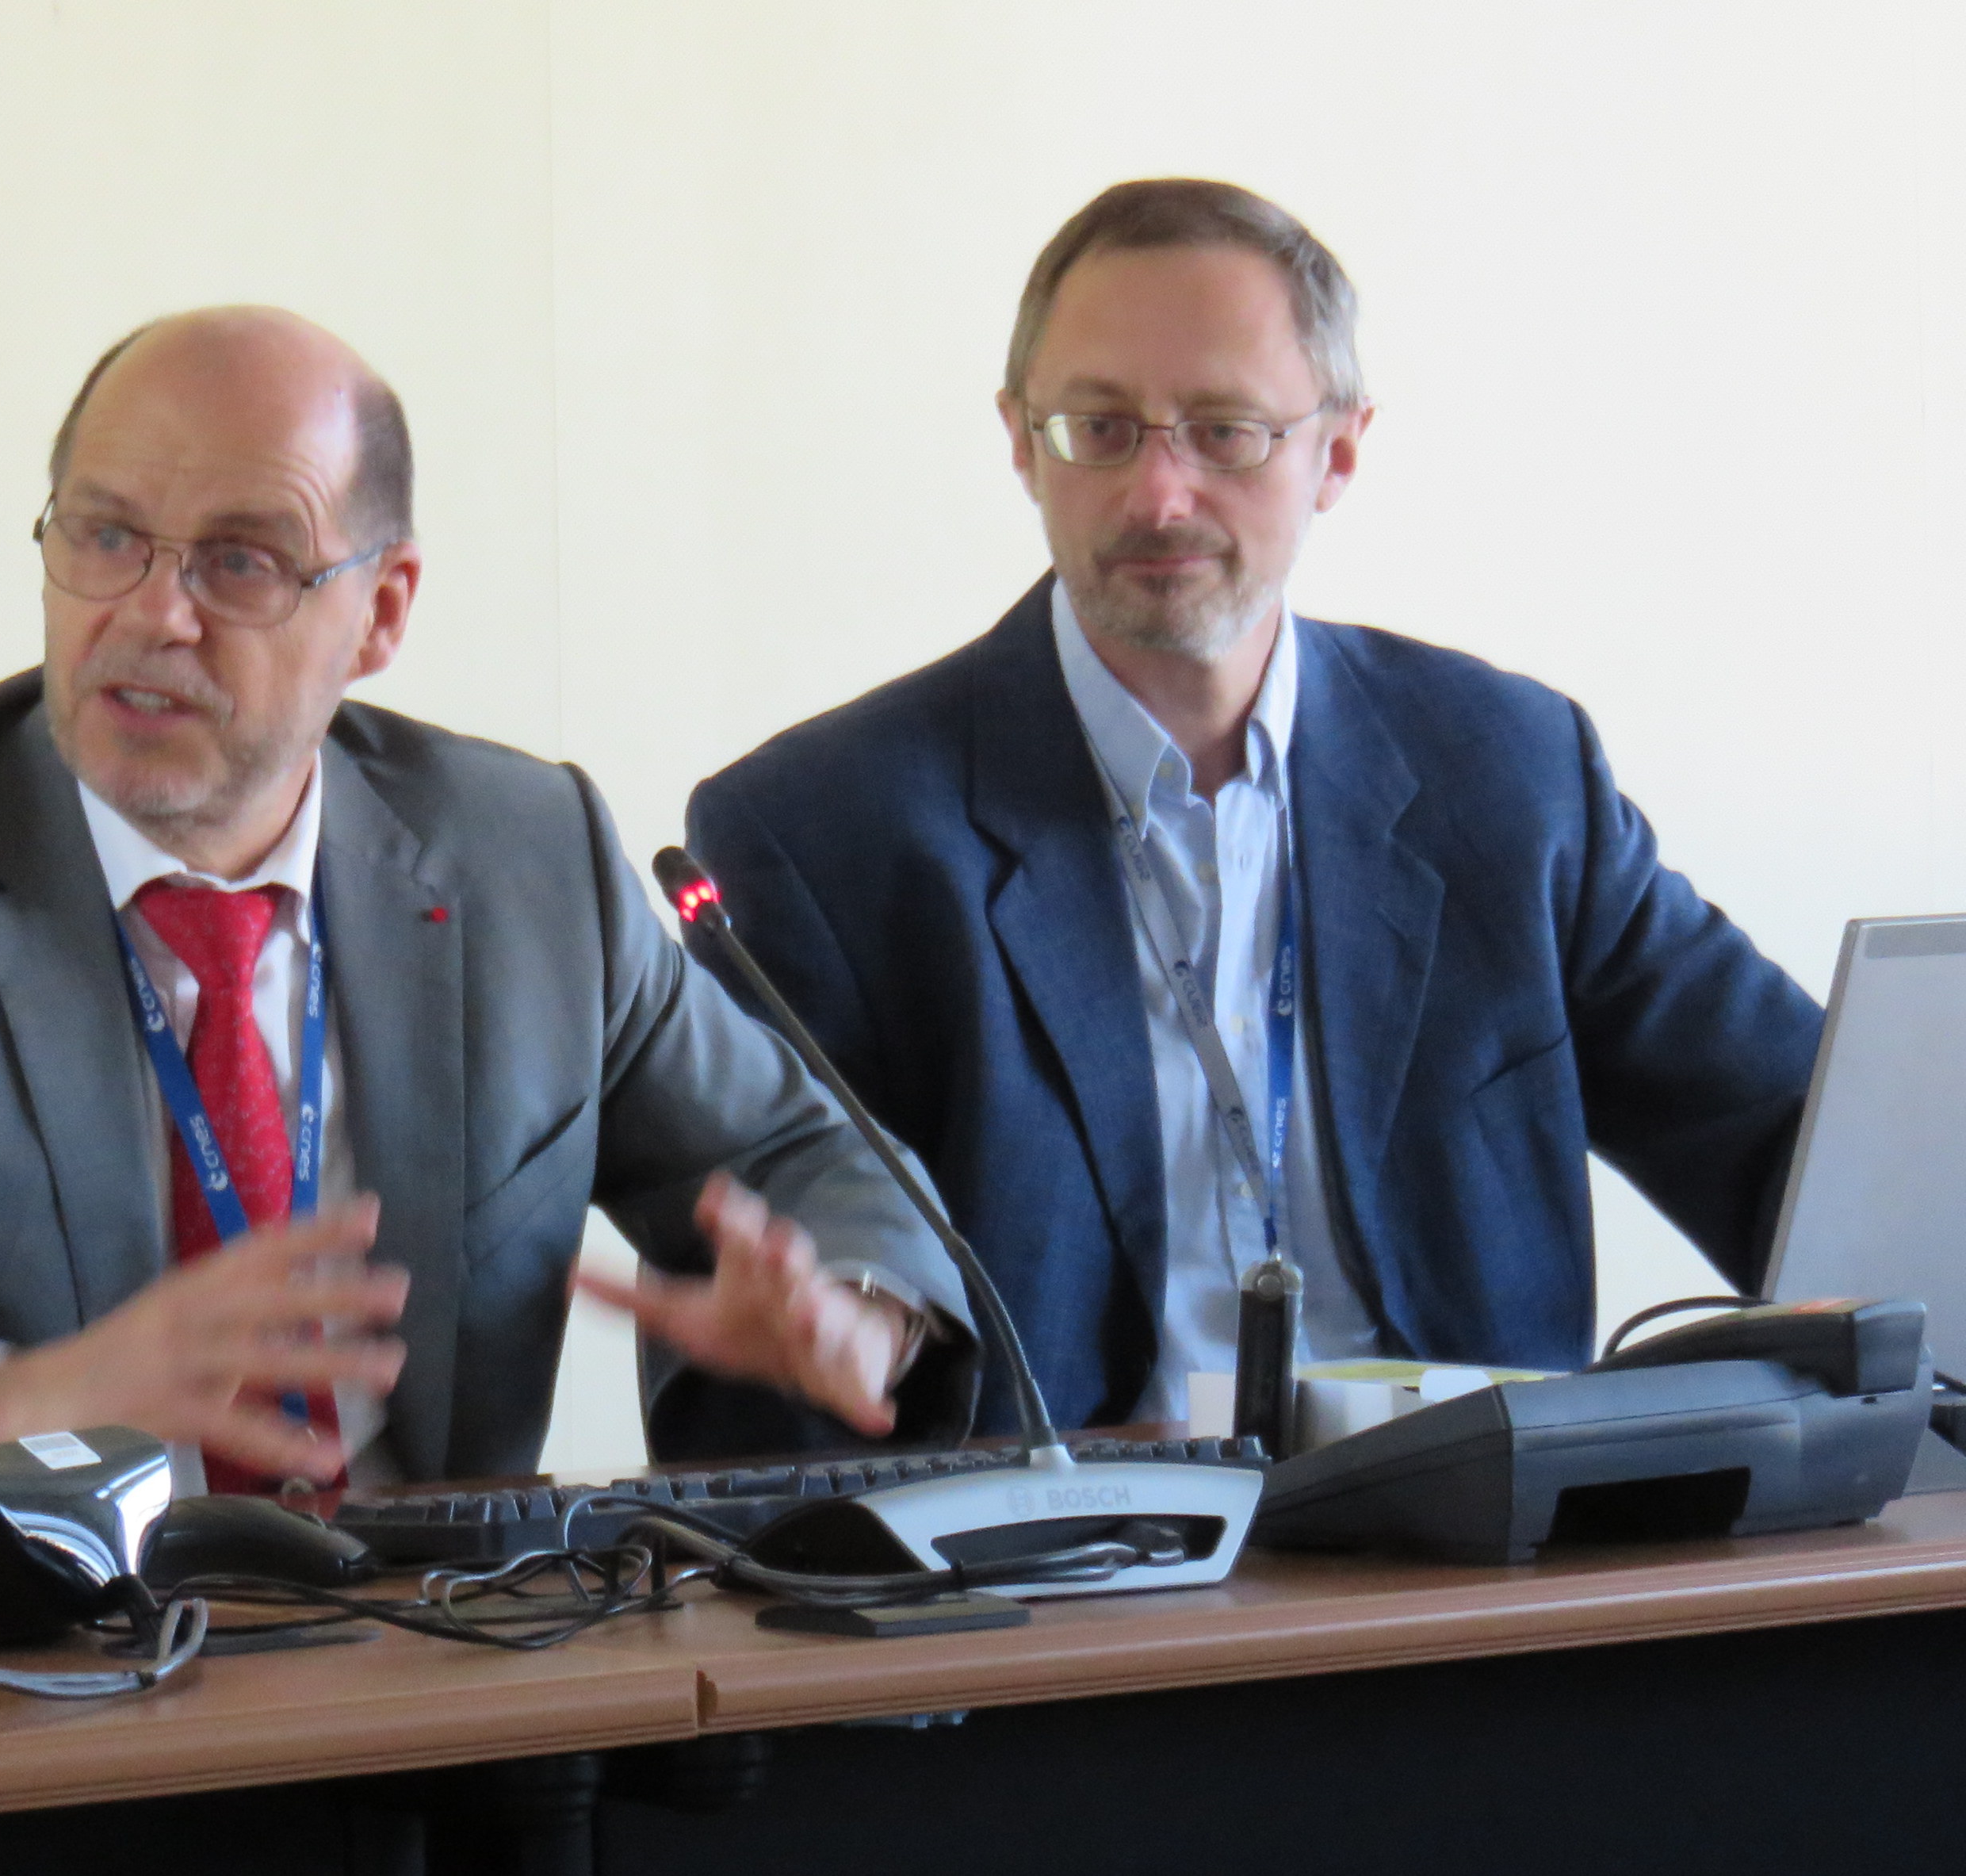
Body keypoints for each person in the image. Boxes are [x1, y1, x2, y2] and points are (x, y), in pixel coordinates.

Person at [0, 308, 974, 1529]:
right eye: (104, 536)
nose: (152, 613)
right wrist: (3, 1399)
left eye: (241, 561)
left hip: (431, 1708)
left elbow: (801, 1149)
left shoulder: (528, 863)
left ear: (381, 612)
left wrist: (856, 1310)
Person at [686, 180, 1823, 1432]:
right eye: (1100, 429)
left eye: (1225, 431)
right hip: (1071, 1583)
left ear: (1339, 449)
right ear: (1020, 440)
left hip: (1486, 1564)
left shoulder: (1509, 774)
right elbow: (770, 1335)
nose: (1159, 497)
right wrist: (858, 1326)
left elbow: (1805, 1150)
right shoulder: (821, 836)